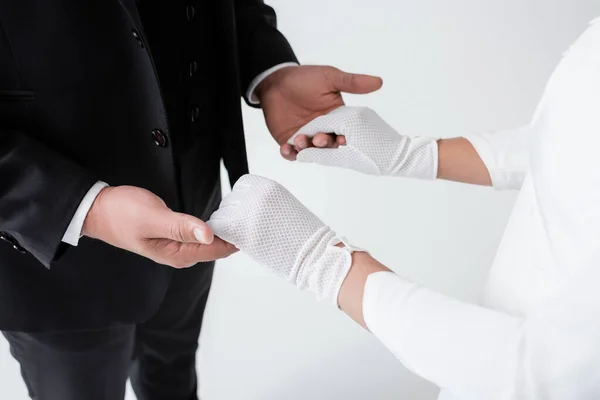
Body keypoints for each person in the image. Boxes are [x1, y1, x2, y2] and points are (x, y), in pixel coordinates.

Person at [0, 1, 383, 399]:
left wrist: (269, 71)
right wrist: (88, 208)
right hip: (53, 258)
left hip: (195, 202)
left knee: (173, 373)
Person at [208, 16, 600, 400]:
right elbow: (573, 144)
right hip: (490, 335)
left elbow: (543, 379)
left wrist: (325, 266)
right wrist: (413, 155)